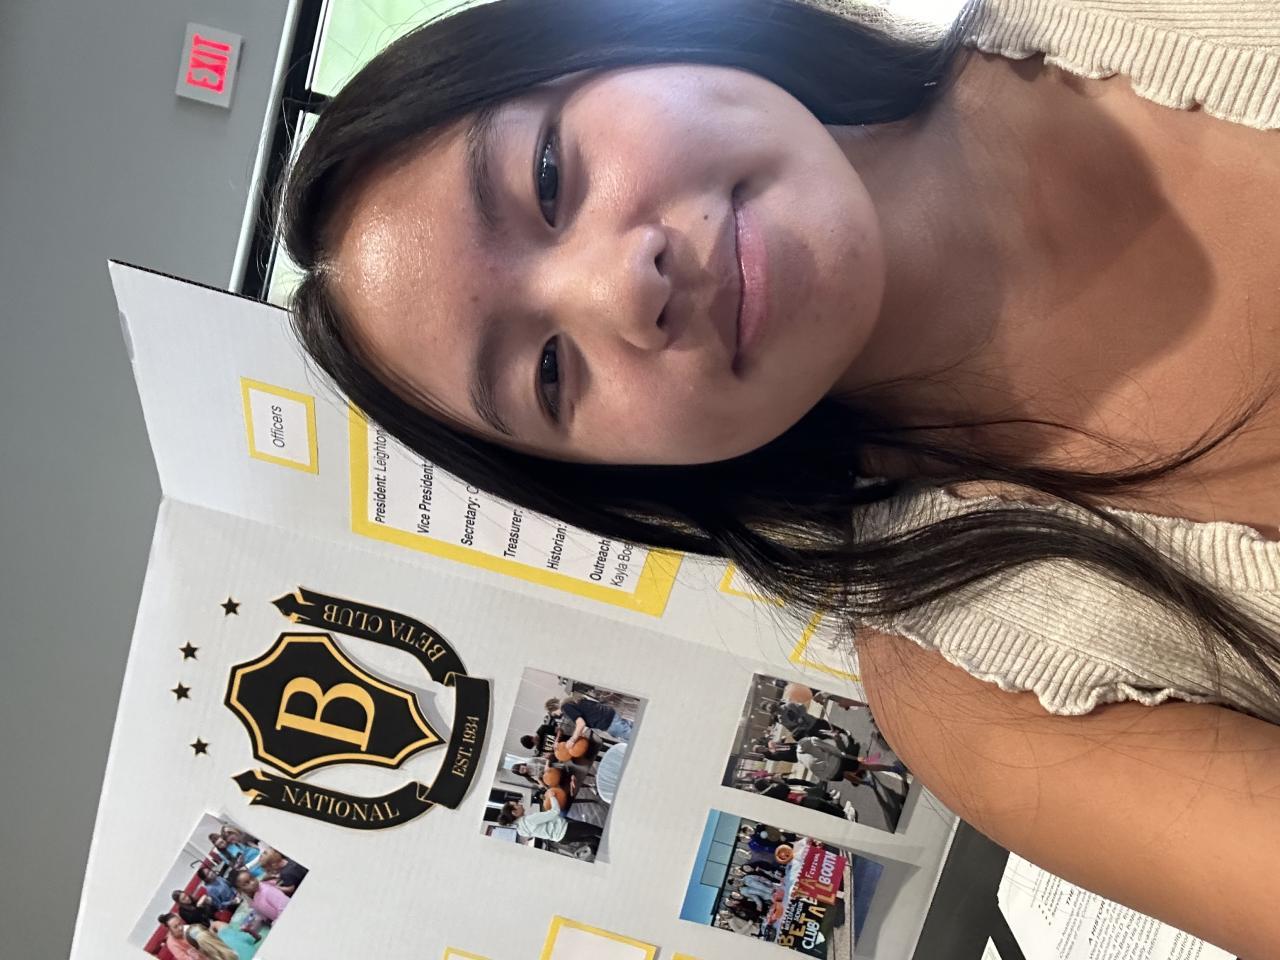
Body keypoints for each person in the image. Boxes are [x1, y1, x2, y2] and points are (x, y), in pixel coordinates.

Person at [278, 0, 1280, 951]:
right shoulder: (987, 703)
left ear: (623, 36)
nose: (623, 288)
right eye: (547, 373)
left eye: (546, 176)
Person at [498, 795, 603, 848]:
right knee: (596, 830)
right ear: (515, 812)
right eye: (516, 805)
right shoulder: (528, 820)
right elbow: (555, 812)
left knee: (592, 839)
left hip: (562, 839)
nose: (520, 804)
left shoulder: (520, 830)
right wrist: (552, 796)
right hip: (567, 829)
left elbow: (544, 825)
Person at [547, 694, 633, 744]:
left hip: (608, 722)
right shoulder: (570, 700)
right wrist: (580, 732)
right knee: (634, 728)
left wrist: (572, 740)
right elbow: (587, 715)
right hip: (610, 714)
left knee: (633, 739)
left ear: (553, 708)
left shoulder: (565, 707)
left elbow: (581, 723)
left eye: (554, 714)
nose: (558, 715)